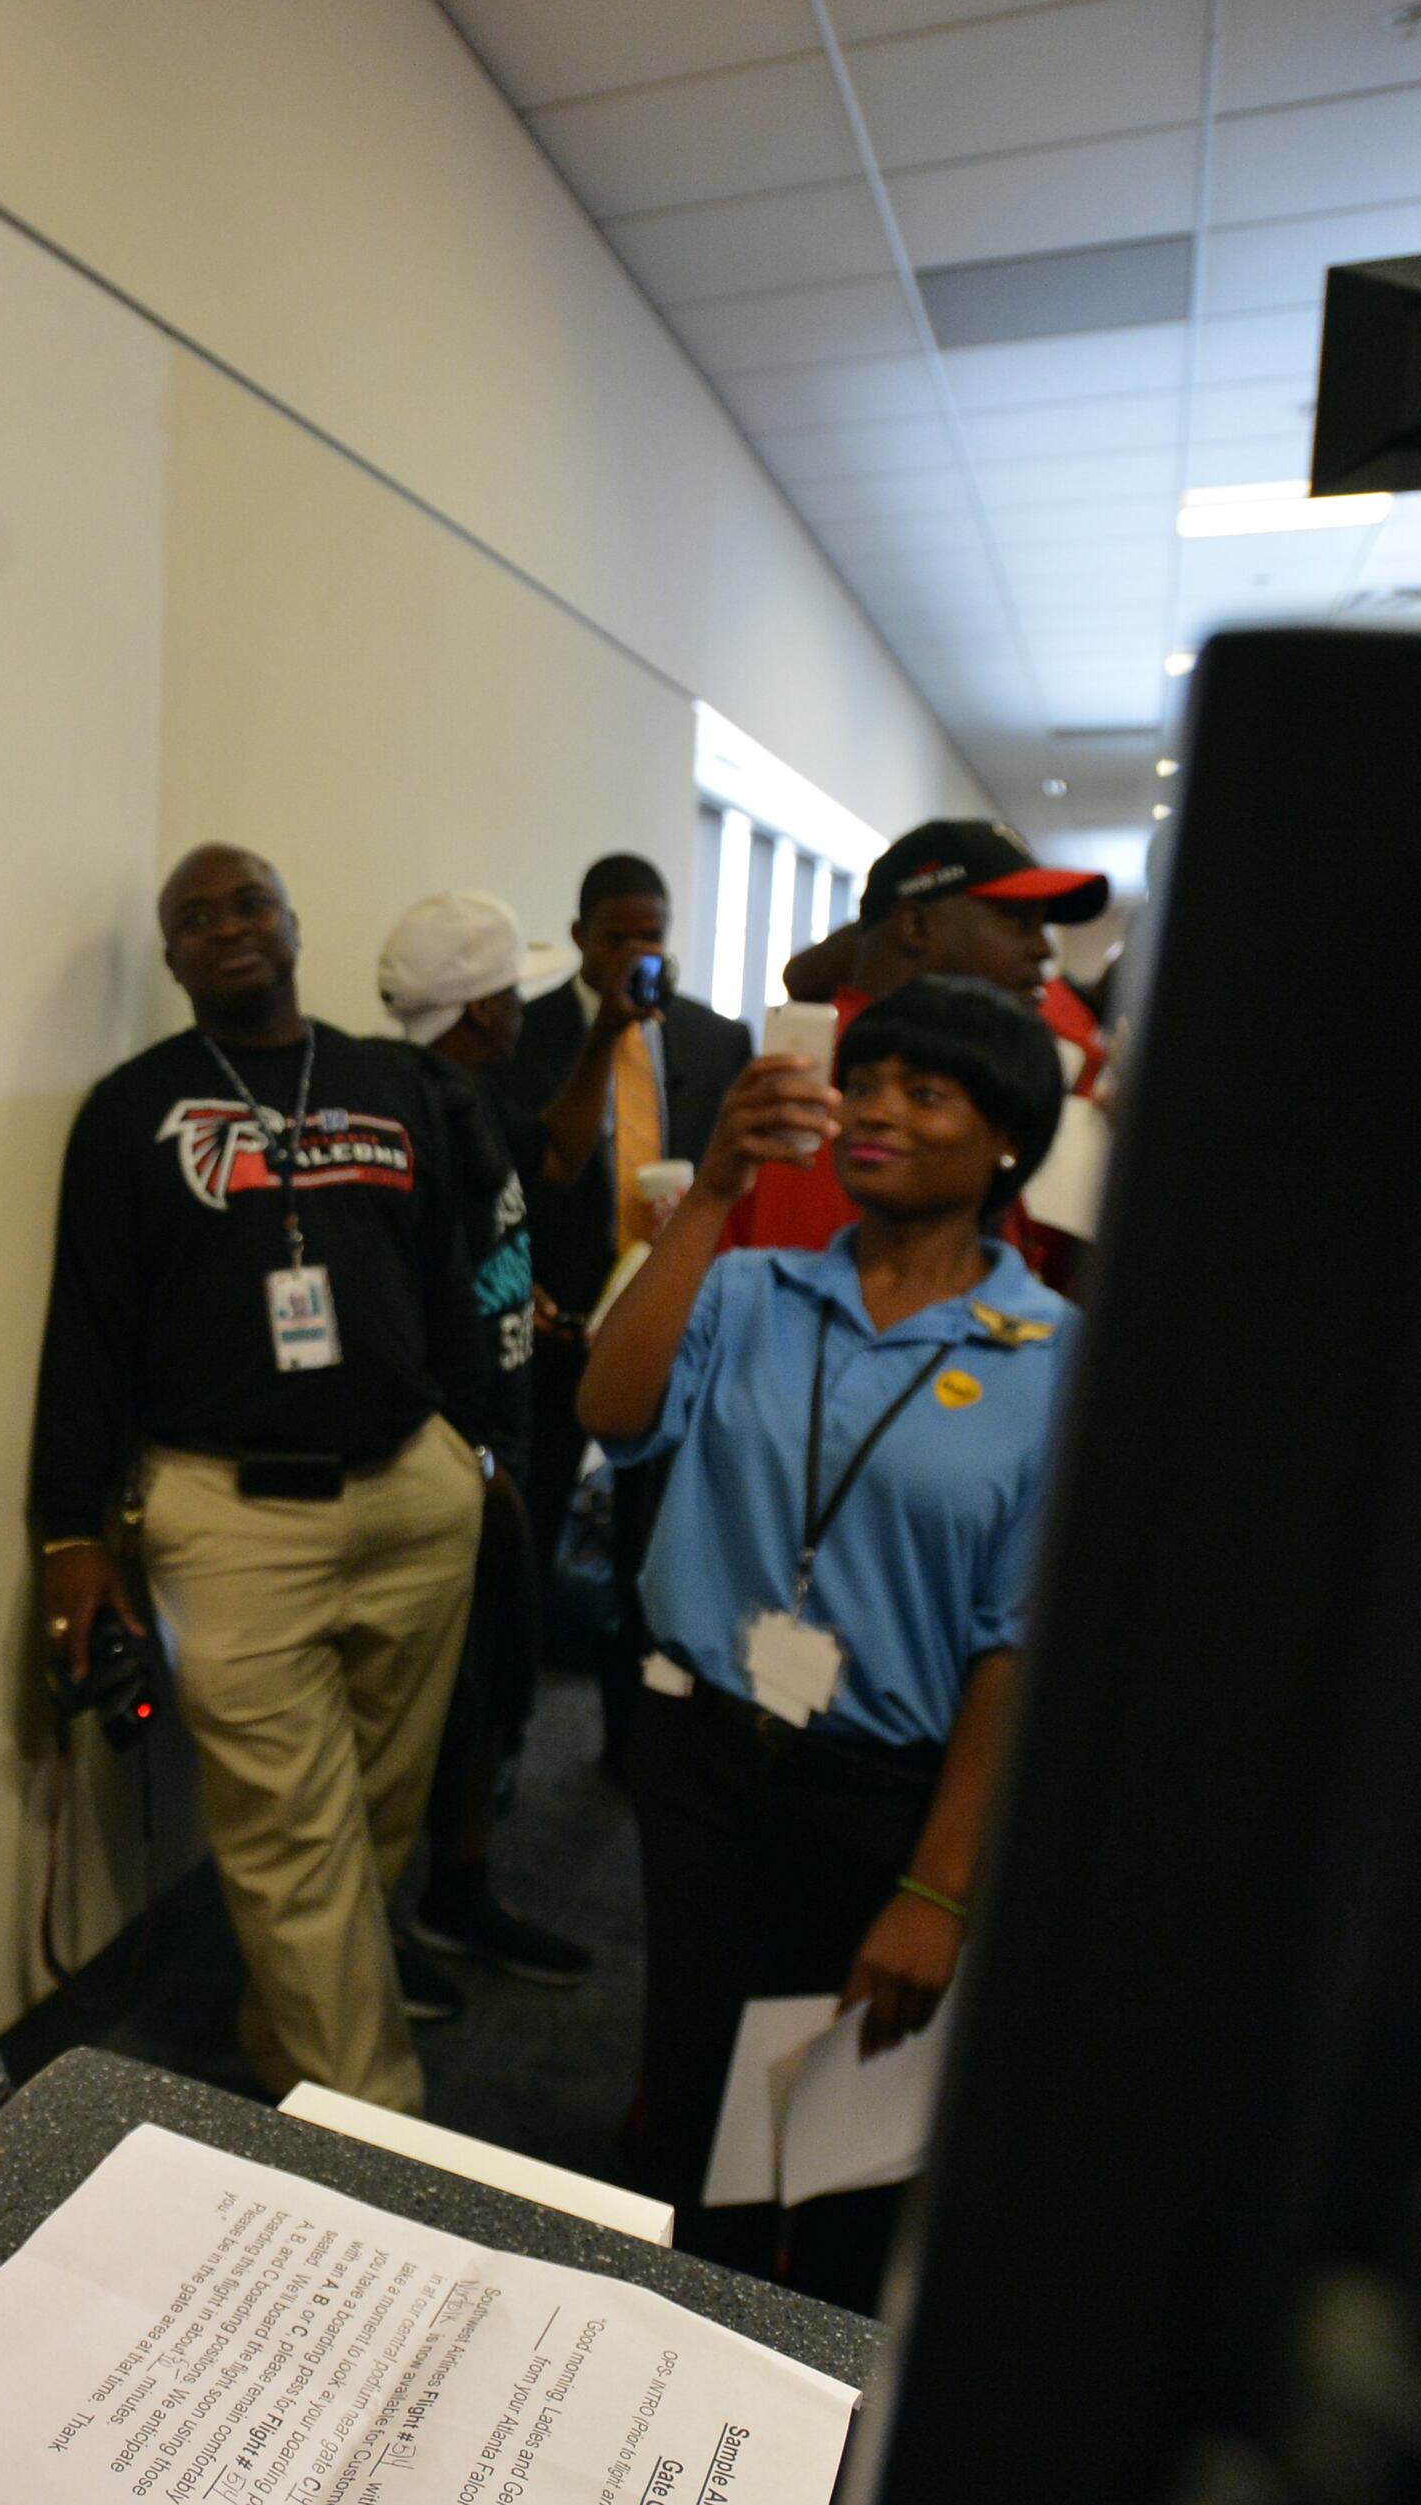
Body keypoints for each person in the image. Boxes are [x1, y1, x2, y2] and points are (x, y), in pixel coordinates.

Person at [576, 976, 1074, 2311]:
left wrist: (940, 1887)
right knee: (695, 2113)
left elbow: (1017, 1646)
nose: (877, 1114)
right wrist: (715, 1192)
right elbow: (612, 1407)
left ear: (1010, 1141)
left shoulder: (1052, 1357)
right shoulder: (746, 1287)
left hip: (883, 1799)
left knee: (846, 2153)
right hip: (703, 1759)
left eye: (928, 1092)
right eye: (865, 1083)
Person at [35, 844, 502, 2099]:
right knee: (294, 1839)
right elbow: (87, 1330)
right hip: (230, 1522)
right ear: (173, 956)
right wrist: (68, 1533)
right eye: (195, 917)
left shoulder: (391, 1085)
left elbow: (446, 1280)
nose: (227, 927)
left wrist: (482, 1443)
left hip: (414, 1494)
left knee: (371, 1816)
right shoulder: (132, 1112)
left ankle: (282, 2039)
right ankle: (371, 2128)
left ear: (295, 924)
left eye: (250, 903)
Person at [377, 891, 595, 1988]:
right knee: (451, 1697)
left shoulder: (466, 1093)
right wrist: (481, 1458)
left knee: (497, 1678)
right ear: (478, 1011)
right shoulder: (423, 1109)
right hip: (470, 1454)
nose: (523, 1008)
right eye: (511, 991)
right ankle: (421, 1912)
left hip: (496, 1431)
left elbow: (494, 1232)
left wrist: (526, 1296)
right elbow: (406, 1296)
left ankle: (459, 1894)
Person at [498, 856, 753, 1658]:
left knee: (656, 1532)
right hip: (551, 1317)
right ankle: (511, 1728)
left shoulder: (716, 1039)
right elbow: (503, 1178)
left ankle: (632, 1730)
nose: (639, 951)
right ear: (580, 938)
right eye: (618, 936)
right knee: (528, 1524)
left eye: (654, 933)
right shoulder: (521, 1031)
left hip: (668, 1319)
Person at [727, 820, 1109, 1279]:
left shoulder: (962, 1067)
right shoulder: (841, 1082)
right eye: (1017, 921)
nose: (1043, 950)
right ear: (914, 926)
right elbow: (820, 1316)